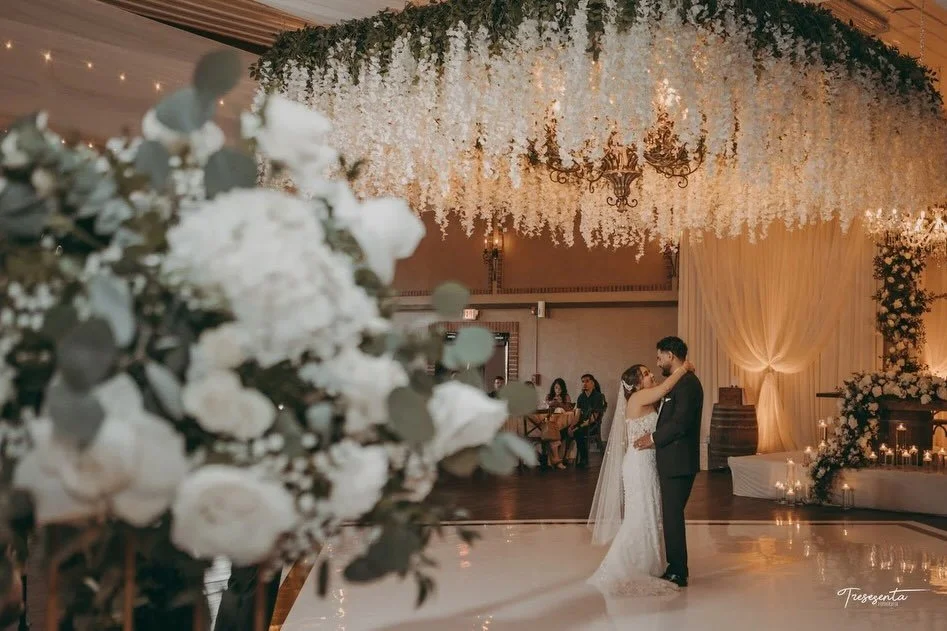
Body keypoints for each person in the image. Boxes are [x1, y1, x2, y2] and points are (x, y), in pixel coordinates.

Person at [587, 357, 695, 596]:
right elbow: (667, 387)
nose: (652, 375)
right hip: (638, 464)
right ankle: (627, 563)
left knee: (651, 511)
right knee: (641, 513)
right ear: (636, 384)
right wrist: (684, 368)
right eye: (646, 374)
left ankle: (649, 562)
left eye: (649, 372)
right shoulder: (638, 397)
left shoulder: (646, 398)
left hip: (648, 462)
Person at [632, 336, 703, 588]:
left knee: (672, 515)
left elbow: (681, 423)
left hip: (679, 461)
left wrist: (652, 437)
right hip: (671, 460)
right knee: (671, 514)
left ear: (670, 355)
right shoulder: (677, 383)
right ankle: (674, 566)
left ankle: (678, 571)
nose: (658, 361)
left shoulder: (689, 385)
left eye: (660, 356)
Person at [567, 374, 605, 468]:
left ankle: (584, 459)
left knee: (578, 432)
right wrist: (571, 426)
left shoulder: (598, 396)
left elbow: (594, 418)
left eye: (587, 381)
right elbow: (577, 415)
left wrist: (578, 427)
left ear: (593, 383)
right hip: (582, 423)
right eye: (583, 381)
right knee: (564, 431)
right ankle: (564, 459)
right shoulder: (581, 397)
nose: (585, 383)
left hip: (593, 425)